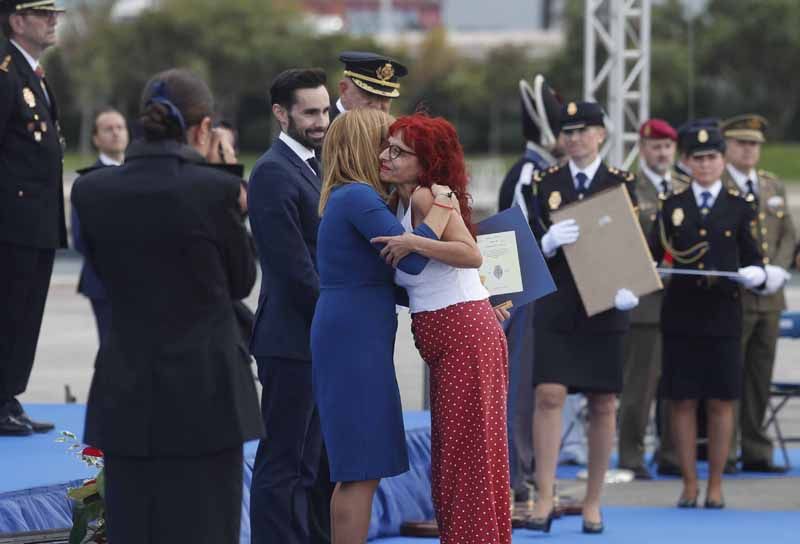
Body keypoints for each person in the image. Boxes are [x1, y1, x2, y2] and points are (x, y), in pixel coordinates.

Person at [71, 68, 263, 543]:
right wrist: (224, 174)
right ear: (202, 129)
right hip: (206, 393)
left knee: (135, 528)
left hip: (128, 389)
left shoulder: (91, 190)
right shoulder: (214, 190)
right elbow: (240, 281)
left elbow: (99, 268)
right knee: (206, 528)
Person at [312, 108, 464, 544]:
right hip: (353, 339)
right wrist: (441, 209)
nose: (388, 153)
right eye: (382, 143)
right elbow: (413, 259)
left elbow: (394, 278)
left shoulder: (351, 198)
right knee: (360, 469)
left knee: (363, 468)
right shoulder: (358, 197)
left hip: (355, 333)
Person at [374, 113, 512, 544]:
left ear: (425, 161)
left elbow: (470, 255)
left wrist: (414, 241)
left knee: (466, 457)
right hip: (453, 332)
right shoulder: (405, 200)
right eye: (386, 147)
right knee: (459, 454)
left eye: (399, 151)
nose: (385, 156)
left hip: (462, 333)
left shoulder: (426, 198)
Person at [528, 101, 640, 534]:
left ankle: (593, 500)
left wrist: (634, 285)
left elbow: (638, 242)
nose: (574, 138)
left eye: (583, 130)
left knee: (602, 401)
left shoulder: (620, 183)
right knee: (549, 394)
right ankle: (544, 494)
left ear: (602, 135)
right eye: (567, 131)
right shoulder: (545, 182)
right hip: (558, 301)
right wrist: (549, 241)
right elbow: (526, 241)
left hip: (607, 300)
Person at [650, 123, 765, 509]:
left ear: (723, 159)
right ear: (685, 161)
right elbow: (653, 255)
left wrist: (760, 274)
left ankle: (715, 483)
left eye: (712, 157)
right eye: (697, 158)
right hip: (682, 314)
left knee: (720, 400)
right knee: (682, 400)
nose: (705, 165)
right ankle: (688, 483)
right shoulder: (672, 205)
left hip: (724, 315)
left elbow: (753, 258)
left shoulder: (739, 206)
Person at [247, 68, 332, 544]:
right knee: (284, 462)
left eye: (324, 110)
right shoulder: (273, 173)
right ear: (281, 114)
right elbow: (293, 269)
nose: (321, 121)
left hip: (313, 339)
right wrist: (339, 321)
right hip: (290, 341)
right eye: (310, 112)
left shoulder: (315, 166)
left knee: (308, 462)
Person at [0, 0, 66, 436]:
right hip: (12, 219)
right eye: (43, 14)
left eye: (54, 14)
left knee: (26, 314)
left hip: (36, 218)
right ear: (17, 20)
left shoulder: (32, 75)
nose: (53, 21)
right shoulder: (6, 74)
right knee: (8, 312)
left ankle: (8, 396)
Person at [721, 114, 795, 473]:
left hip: (770, 297)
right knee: (731, 374)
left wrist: (778, 269)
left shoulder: (771, 185)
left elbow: (787, 235)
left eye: (754, 144)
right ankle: (727, 448)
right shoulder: (717, 184)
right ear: (728, 146)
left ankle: (755, 447)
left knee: (759, 376)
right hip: (735, 294)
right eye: (742, 143)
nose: (749, 150)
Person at [617, 118, 688, 480]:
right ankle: (631, 455)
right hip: (644, 299)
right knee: (639, 385)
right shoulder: (628, 188)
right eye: (656, 147)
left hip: (682, 301)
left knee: (676, 382)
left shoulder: (684, 186)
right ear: (643, 148)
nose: (662, 154)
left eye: (667, 147)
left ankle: (673, 453)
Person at [71, 108, 129, 347]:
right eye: (108, 129)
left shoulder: (140, 173)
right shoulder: (86, 181)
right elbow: (80, 236)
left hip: (142, 281)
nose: (115, 133)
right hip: (104, 281)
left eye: (120, 128)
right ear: (95, 138)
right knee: (111, 350)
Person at [329, 51, 407, 121]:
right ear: (344, 89)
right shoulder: (322, 129)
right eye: (369, 94)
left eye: (384, 98)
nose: (377, 106)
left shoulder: (391, 135)